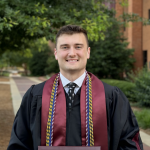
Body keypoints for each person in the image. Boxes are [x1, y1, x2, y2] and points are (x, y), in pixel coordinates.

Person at [7, 25, 143, 150]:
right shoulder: (35, 96)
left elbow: (129, 143)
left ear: (88, 52)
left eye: (78, 47)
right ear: (55, 53)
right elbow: (19, 144)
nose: (72, 53)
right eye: (65, 47)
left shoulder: (111, 97)